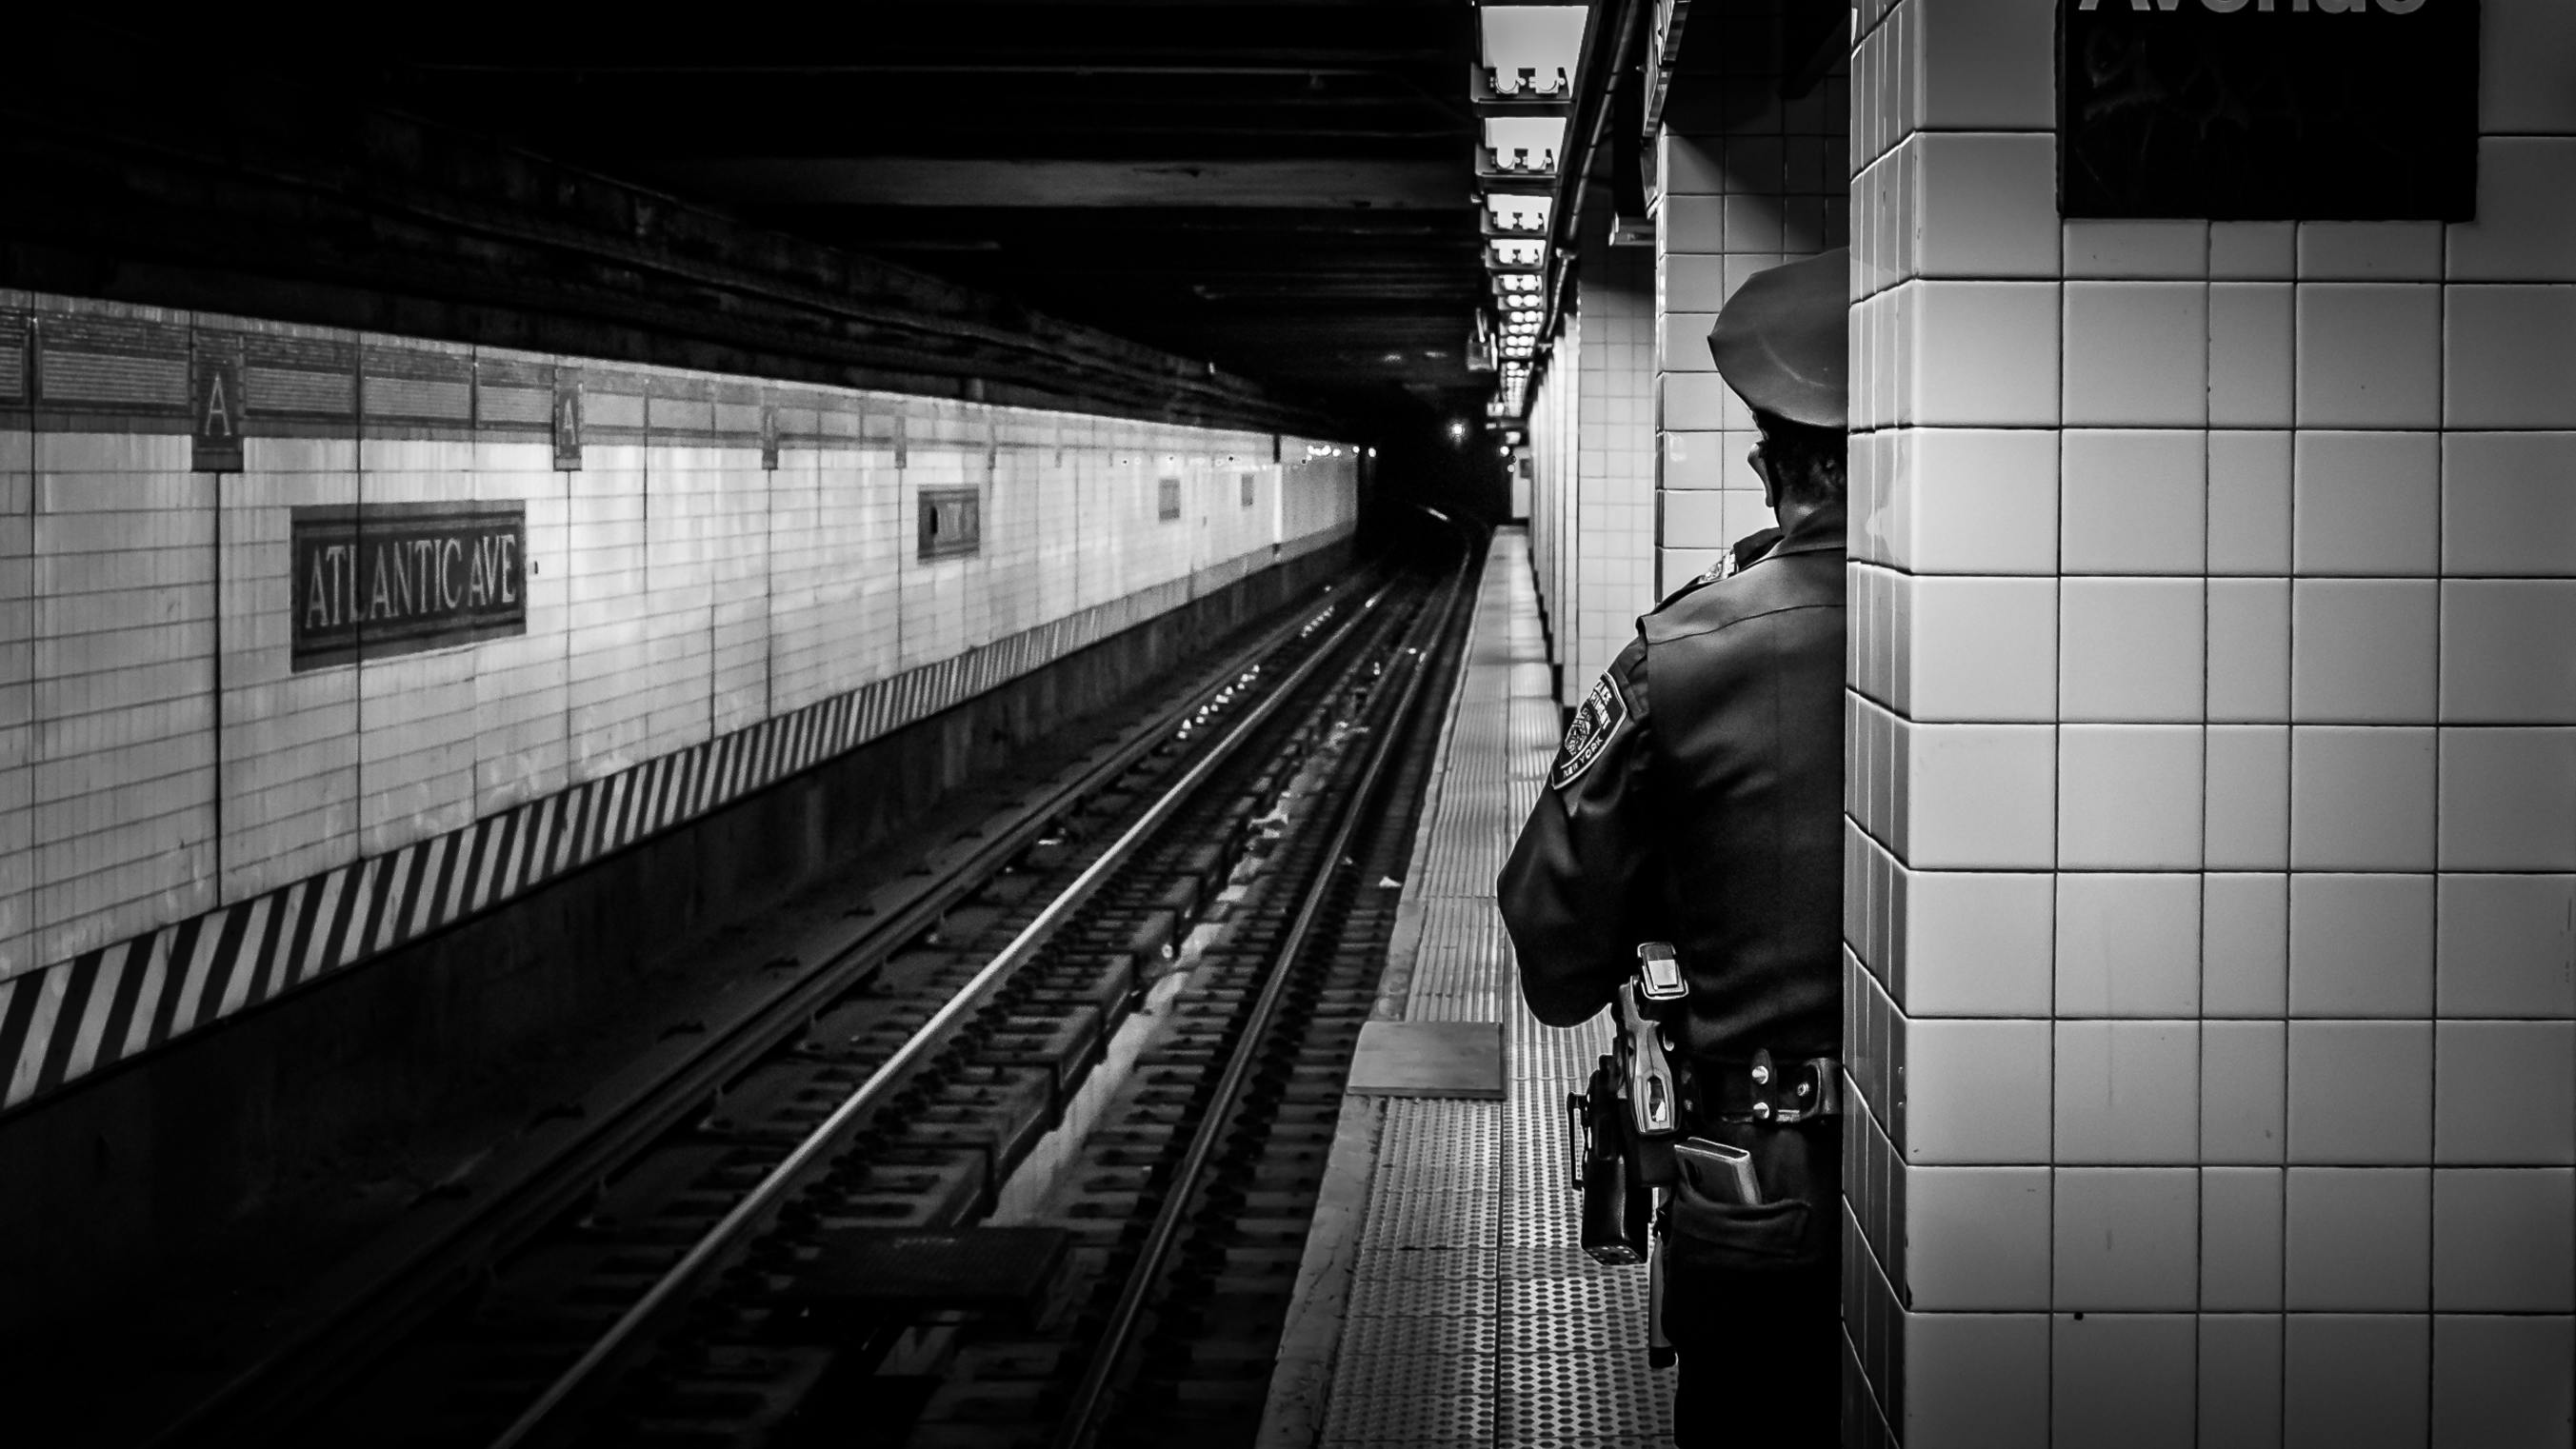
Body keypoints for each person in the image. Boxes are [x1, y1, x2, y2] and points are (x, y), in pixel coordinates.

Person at [1497, 248, 1850, 1447]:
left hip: (1757, 1192)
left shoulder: (1684, 652)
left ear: (1768, 467)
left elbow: (1554, 951)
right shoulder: (2025, 622)